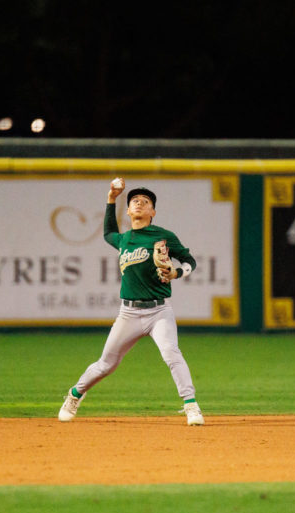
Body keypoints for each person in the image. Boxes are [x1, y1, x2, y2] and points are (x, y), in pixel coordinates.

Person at [59, 179, 205, 425]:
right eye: (134, 201)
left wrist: (177, 273)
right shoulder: (124, 239)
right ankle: (74, 395)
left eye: (145, 202)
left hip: (159, 311)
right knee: (106, 364)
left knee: (171, 353)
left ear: (152, 212)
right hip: (128, 313)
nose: (139, 203)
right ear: (128, 211)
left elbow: (190, 261)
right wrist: (111, 198)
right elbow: (108, 233)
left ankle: (191, 406)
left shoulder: (163, 236)